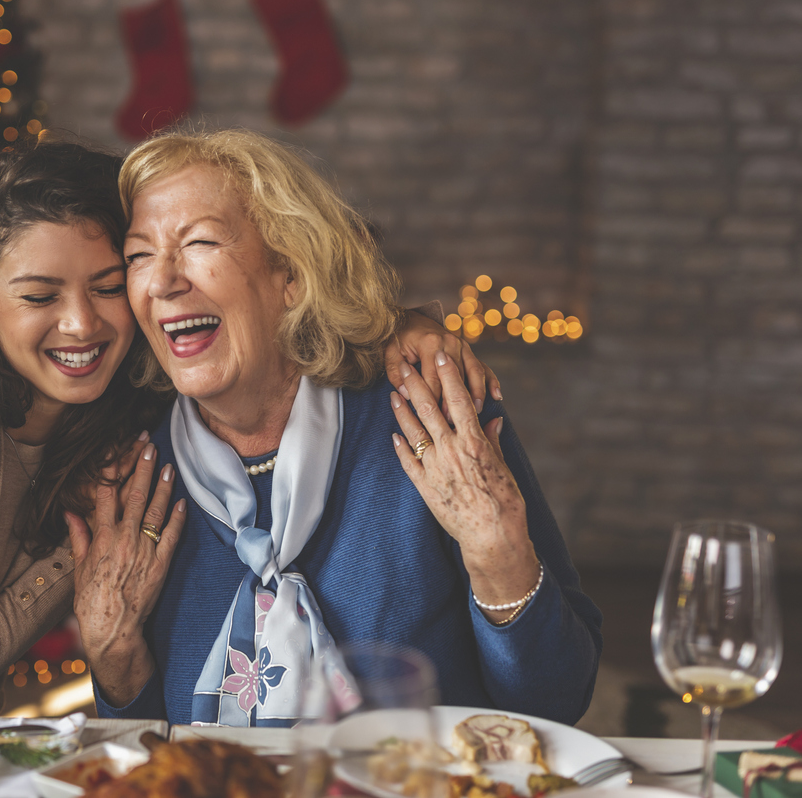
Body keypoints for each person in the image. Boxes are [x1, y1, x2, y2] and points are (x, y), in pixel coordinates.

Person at [0, 139, 488, 714]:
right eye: (39, 295)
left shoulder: (119, 412)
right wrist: (65, 559)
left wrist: (407, 328)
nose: (81, 324)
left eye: (110, 284)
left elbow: (287, 324)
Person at [70, 129, 602, 727]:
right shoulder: (135, 470)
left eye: (200, 242)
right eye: (139, 254)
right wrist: (113, 658)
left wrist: (498, 555)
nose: (162, 281)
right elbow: (139, 753)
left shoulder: (428, 412)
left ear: (291, 275)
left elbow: (558, 701)